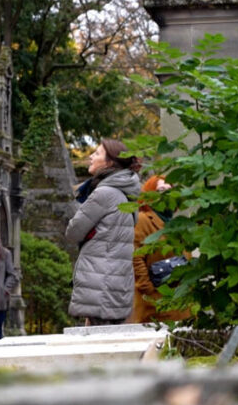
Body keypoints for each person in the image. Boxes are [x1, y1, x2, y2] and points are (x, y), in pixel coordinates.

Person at [66, 139, 140, 325]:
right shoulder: (127, 195)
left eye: (97, 153)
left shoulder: (104, 194)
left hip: (99, 284)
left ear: (109, 163)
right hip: (118, 284)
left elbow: (73, 232)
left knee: (97, 344)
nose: (91, 156)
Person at [127, 175, 191, 324]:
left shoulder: (177, 224)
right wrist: (148, 290)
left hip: (181, 301)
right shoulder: (143, 220)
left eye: (170, 190)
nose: (167, 194)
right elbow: (135, 257)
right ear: (150, 194)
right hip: (156, 302)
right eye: (161, 190)